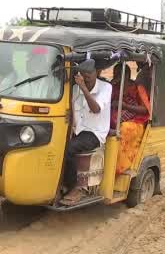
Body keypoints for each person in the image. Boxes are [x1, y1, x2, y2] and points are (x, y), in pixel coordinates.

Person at [61, 58, 113, 205]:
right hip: (79, 130)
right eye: (84, 74)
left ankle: (75, 187)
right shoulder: (75, 89)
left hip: (95, 133)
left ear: (96, 72)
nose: (87, 76)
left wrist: (83, 88)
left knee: (69, 149)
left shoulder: (105, 87)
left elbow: (95, 109)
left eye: (90, 73)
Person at [116, 65, 153, 175]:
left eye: (118, 74)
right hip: (117, 117)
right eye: (115, 74)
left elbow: (145, 109)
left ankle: (121, 166)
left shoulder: (138, 88)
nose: (116, 77)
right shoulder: (113, 87)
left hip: (137, 121)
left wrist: (125, 106)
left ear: (126, 75)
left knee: (124, 128)